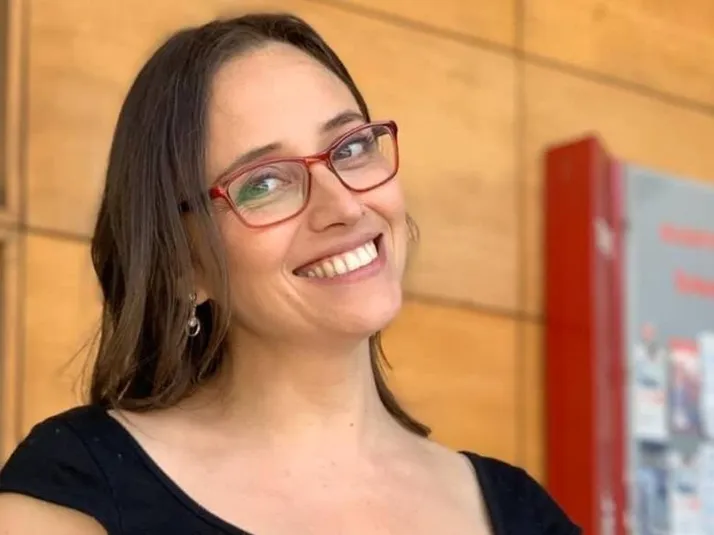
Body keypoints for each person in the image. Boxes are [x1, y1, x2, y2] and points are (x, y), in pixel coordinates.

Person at [0, 13, 580, 535]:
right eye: (265, 182)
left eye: (350, 149)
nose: (344, 206)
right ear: (183, 265)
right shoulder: (77, 489)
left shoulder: (520, 512)